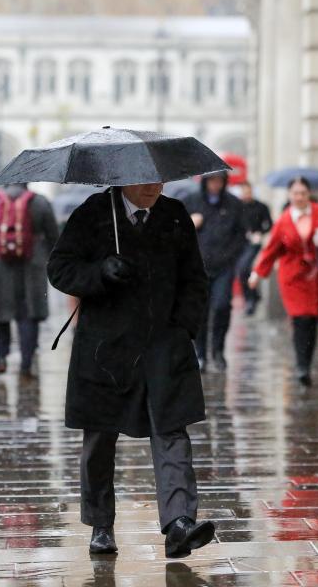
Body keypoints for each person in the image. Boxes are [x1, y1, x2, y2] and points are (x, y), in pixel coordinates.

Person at [47, 183, 215, 559]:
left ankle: (178, 524)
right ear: (123, 180)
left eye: (159, 179)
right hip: (106, 349)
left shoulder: (174, 215)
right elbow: (59, 268)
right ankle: (101, 525)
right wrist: (100, 272)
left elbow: (195, 277)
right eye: (145, 180)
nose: (154, 187)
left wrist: (183, 328)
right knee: (100, 440)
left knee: (171, 431)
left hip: (163, 347)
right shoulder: (93, 212)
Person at [248, 176, 318, 386]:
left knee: (311, 320)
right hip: (292, 277)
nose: (299, 197)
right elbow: (271, 250)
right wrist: (257, 273)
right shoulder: (283, 220)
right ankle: (302, 366)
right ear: (290, 195)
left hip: (316, 275)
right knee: (300, 319)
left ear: (308, 194)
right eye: (295, 193)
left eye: (303, 193)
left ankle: (306, 363)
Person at [0, 183, 59, 376]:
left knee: (1, 312)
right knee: (29, 313)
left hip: (1, 264)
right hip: (33, 264)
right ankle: (26, 362)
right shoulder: (40, 202)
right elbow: (54, 237)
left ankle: (1, 356)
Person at [183, 172, 248, 373]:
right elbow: (176, 232)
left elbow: (241, 234)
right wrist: (190, 224)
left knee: (221, 306)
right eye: (212, 181)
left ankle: (218, 351)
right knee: (200, 310)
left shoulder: (234, 204)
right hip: (197, 267)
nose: (215, 185)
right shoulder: (191, 201)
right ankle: (200, 353)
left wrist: (231, 256)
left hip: (224, 267)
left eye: (219, 181)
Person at [236, 181, 273, 316]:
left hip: (254, 244)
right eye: (244, 192)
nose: (246, 194)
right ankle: (252, 296)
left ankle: (251, 299)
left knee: (245, 268)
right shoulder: (237, 206)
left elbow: (269, 224)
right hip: (239, 243)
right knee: (241, 271)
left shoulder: (261, 207)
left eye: (249, 191)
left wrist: (260, 233)